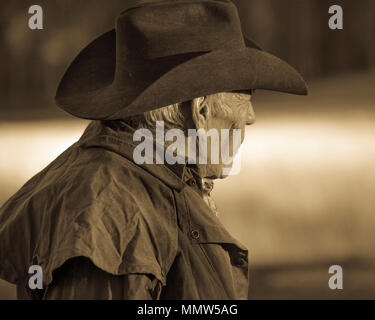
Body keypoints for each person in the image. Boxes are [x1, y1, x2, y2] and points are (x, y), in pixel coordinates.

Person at [0, 0, 307, 299]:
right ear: (200, 111)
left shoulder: (141, 179)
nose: (250, 117)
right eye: (245, 95)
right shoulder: (111, 211)